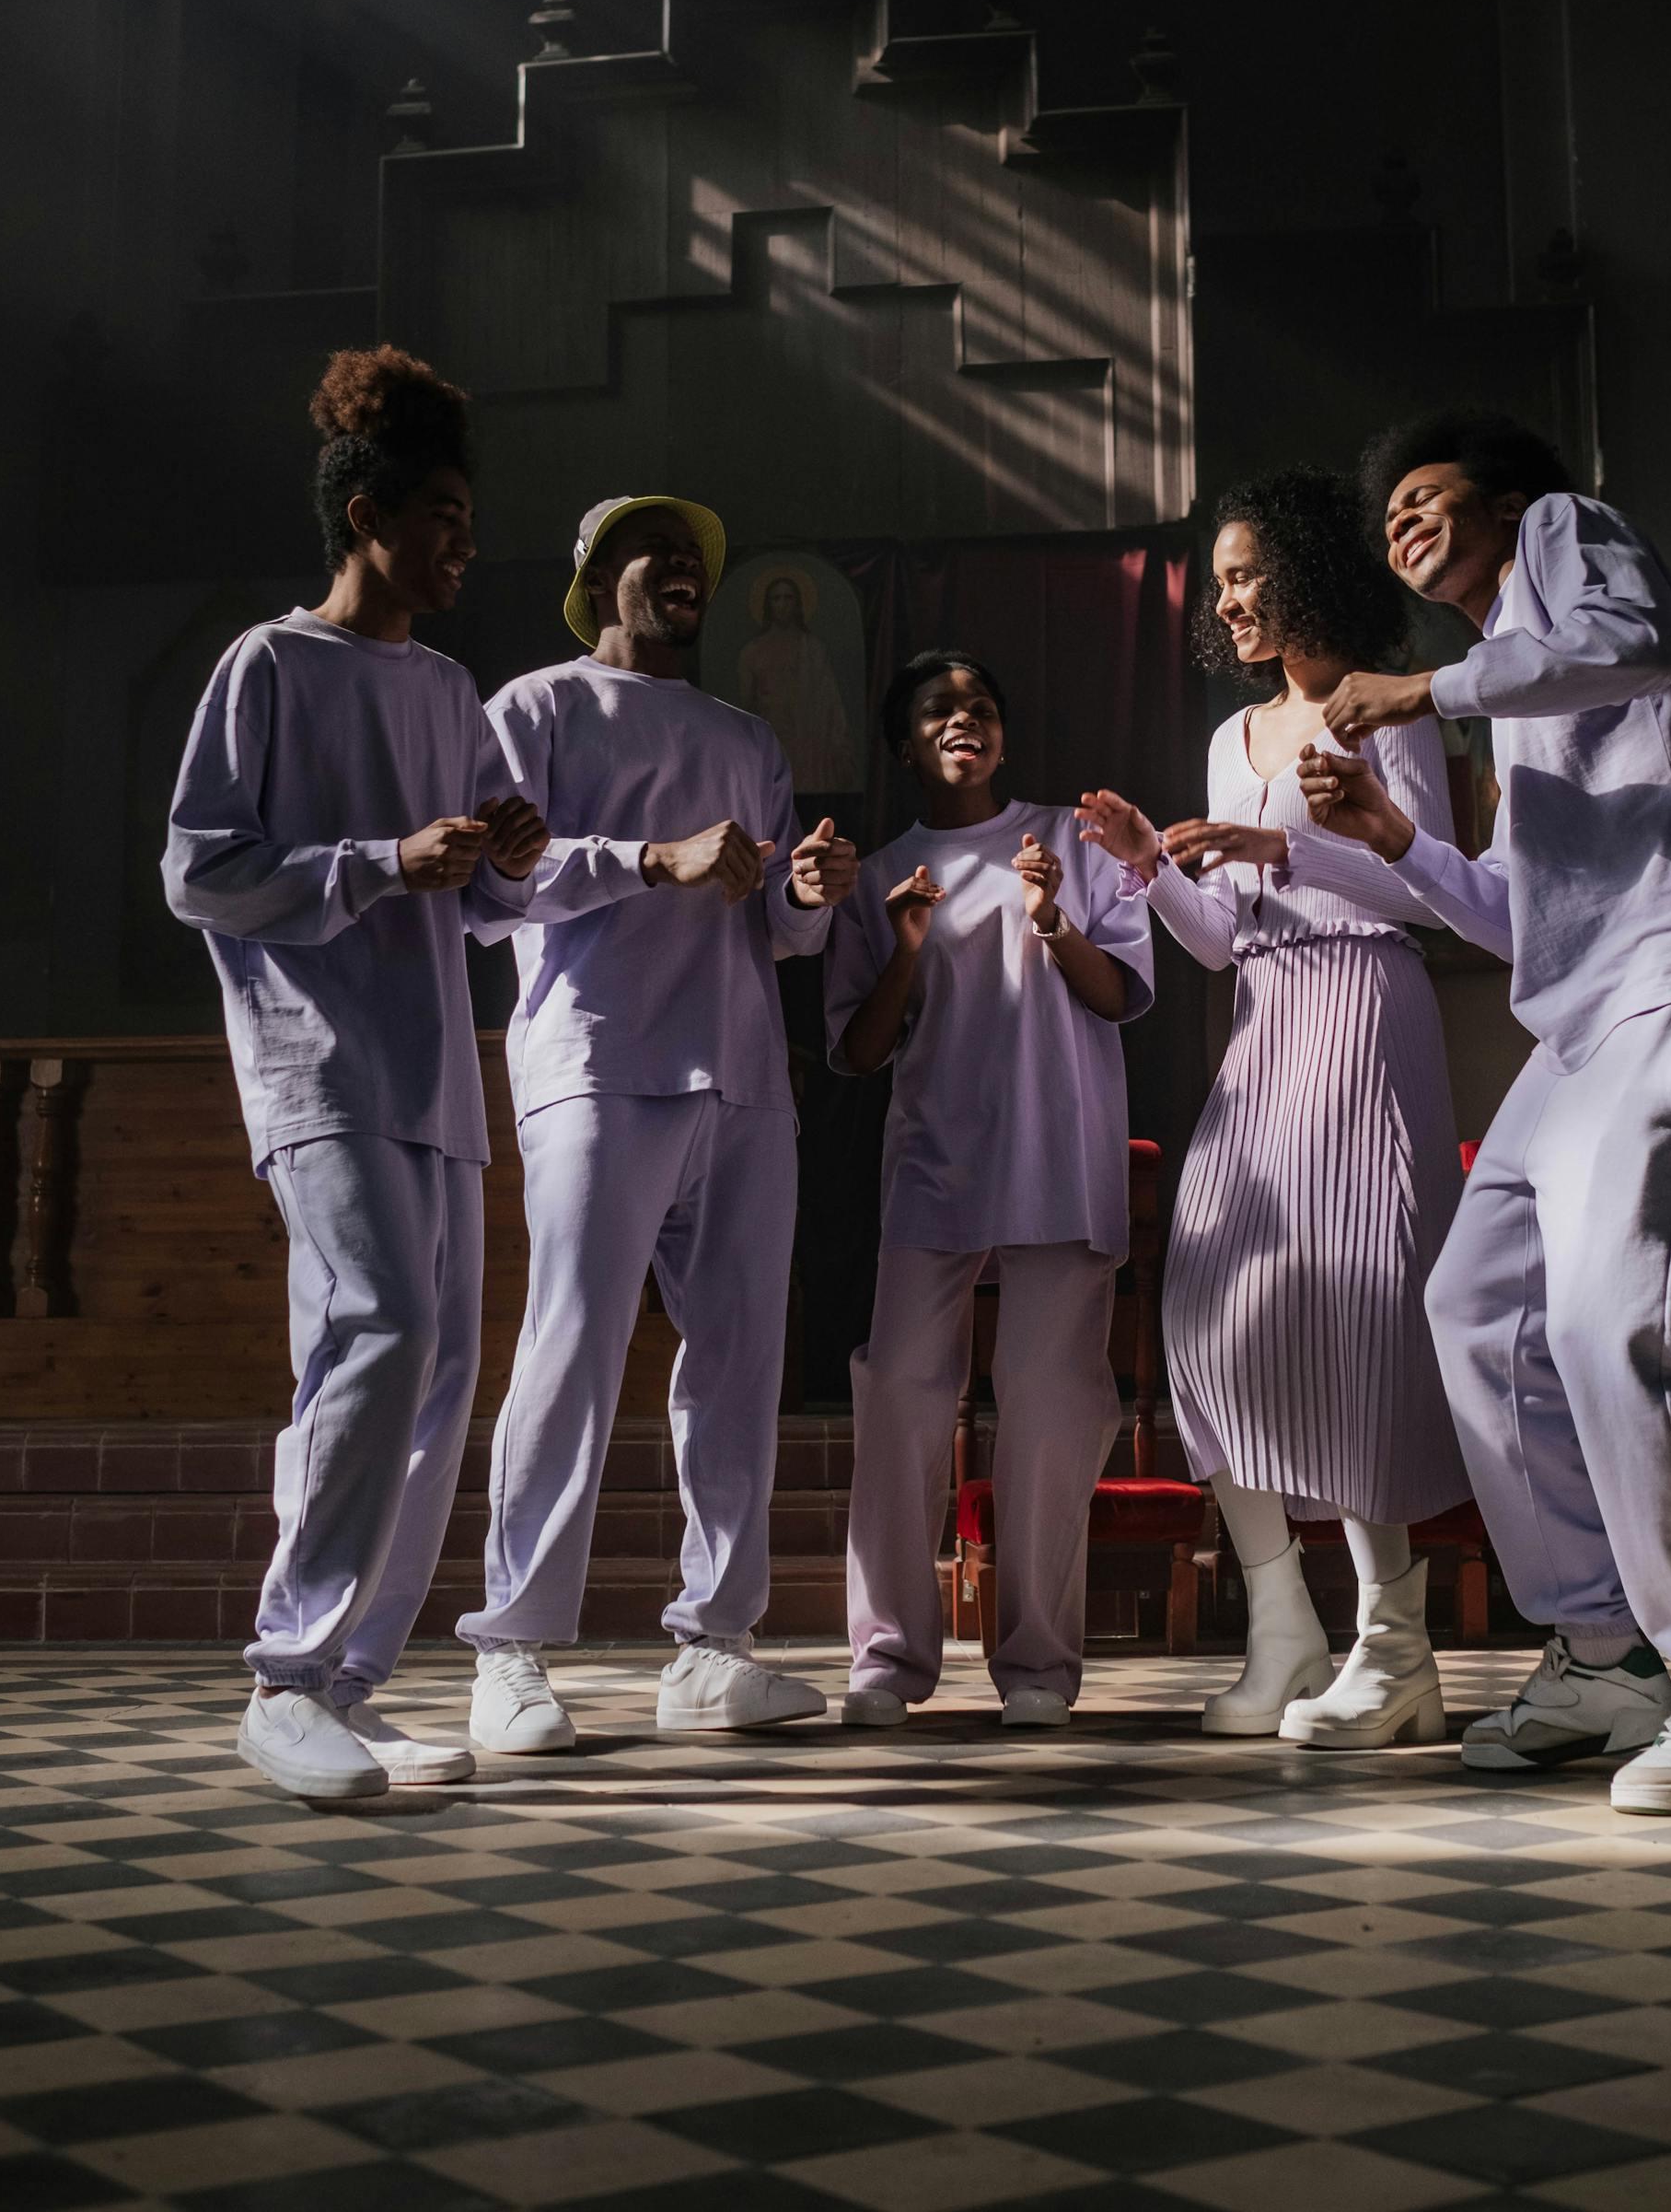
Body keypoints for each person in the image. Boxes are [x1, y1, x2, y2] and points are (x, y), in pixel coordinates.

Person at [1299, 411, 1671, 1814]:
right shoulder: (1512, 690)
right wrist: (1399, 844)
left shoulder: (1565, 540)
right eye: (1389, 514)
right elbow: (1523, 916)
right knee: (1475, 1301)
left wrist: (1420, 693)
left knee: (1612, 1318)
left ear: (1506, 495)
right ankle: (1601, 1648)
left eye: (1428, 495)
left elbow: (1637, 641)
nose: (1406, 523)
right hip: (1584, 1017)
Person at [163, 347, 547, 1803]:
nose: (464, 540)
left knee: (436, 1366)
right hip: (316, 1062)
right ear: (369, 513)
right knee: (375, 1332)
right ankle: (283, 1675)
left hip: (436, 1067)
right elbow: (202, 870)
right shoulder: (269, 664)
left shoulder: (451, 690)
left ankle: (347, 1685)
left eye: (468, 515)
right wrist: (383, 862)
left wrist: (496, 864)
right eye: (442, 512)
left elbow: (476, 906)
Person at [458, 496, 858, 1744]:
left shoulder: (747, 735)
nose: (684, 570)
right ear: (596, 577)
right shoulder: (535, 709)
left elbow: (779, 932)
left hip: (741, 1073)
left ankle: (714, 1648)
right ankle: (511, 1656)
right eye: (656, 550)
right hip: (598, 1060)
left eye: (697, 558)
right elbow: (485, 888)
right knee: (571, 1346)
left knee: (740, 1363)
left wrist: (804, 891)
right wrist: (648, 859)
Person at [1080, 472, 1467, 1747]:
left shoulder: (1384, 710)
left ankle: (1394, 1646)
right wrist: (1149, 863)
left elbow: (1433, 889)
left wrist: (1279, 850)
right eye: (1222, 581)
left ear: (1305, 572)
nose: (1230, 598)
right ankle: (1283, 1626)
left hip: (1366, 1003)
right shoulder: (1226, 739)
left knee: (1357, 1317)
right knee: (1207, 1309)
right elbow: (1212, 940)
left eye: (1250, 574)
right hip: (1265, 1020)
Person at [829, 650, 1153, 1729]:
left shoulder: (1071, 840)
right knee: (904, 1401)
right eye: (936, 708)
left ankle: (1038, 1668)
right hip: (934, 1163)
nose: (962, 719)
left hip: (1059, 1157)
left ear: (1002, 737)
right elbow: (859, 1053)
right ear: (904, 742)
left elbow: (1117, 1000)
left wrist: (1052, 919)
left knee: (1053, 1410)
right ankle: (888, 1657)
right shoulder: (882, 877)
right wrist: (908, 948)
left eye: (980, 707)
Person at [737, 568, 859, 791]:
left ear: (798, 603)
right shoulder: (753, 651)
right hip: (772, 740)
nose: (782, 604)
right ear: (767, 604)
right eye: (776, 598)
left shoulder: (813, 648)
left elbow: (829, 701)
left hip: (810, 746)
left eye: (788, 598)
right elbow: (747, 706)